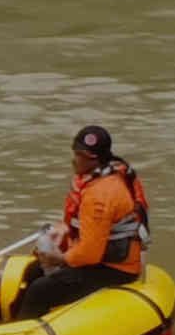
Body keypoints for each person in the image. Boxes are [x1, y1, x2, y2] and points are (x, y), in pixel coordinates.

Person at [14, 126, 150, 320]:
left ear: (94, 159)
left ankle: (23, 331)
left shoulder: (100, 195)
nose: (74, 159)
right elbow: (82, 224)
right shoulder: (102, 175)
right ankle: (13, 319)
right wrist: (63, 229)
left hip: (115, 269)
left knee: (40, 290)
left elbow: (90, 253)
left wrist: (60, 259)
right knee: (33, 272)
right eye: (75, 153)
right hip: (98, 258)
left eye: (79, 155)